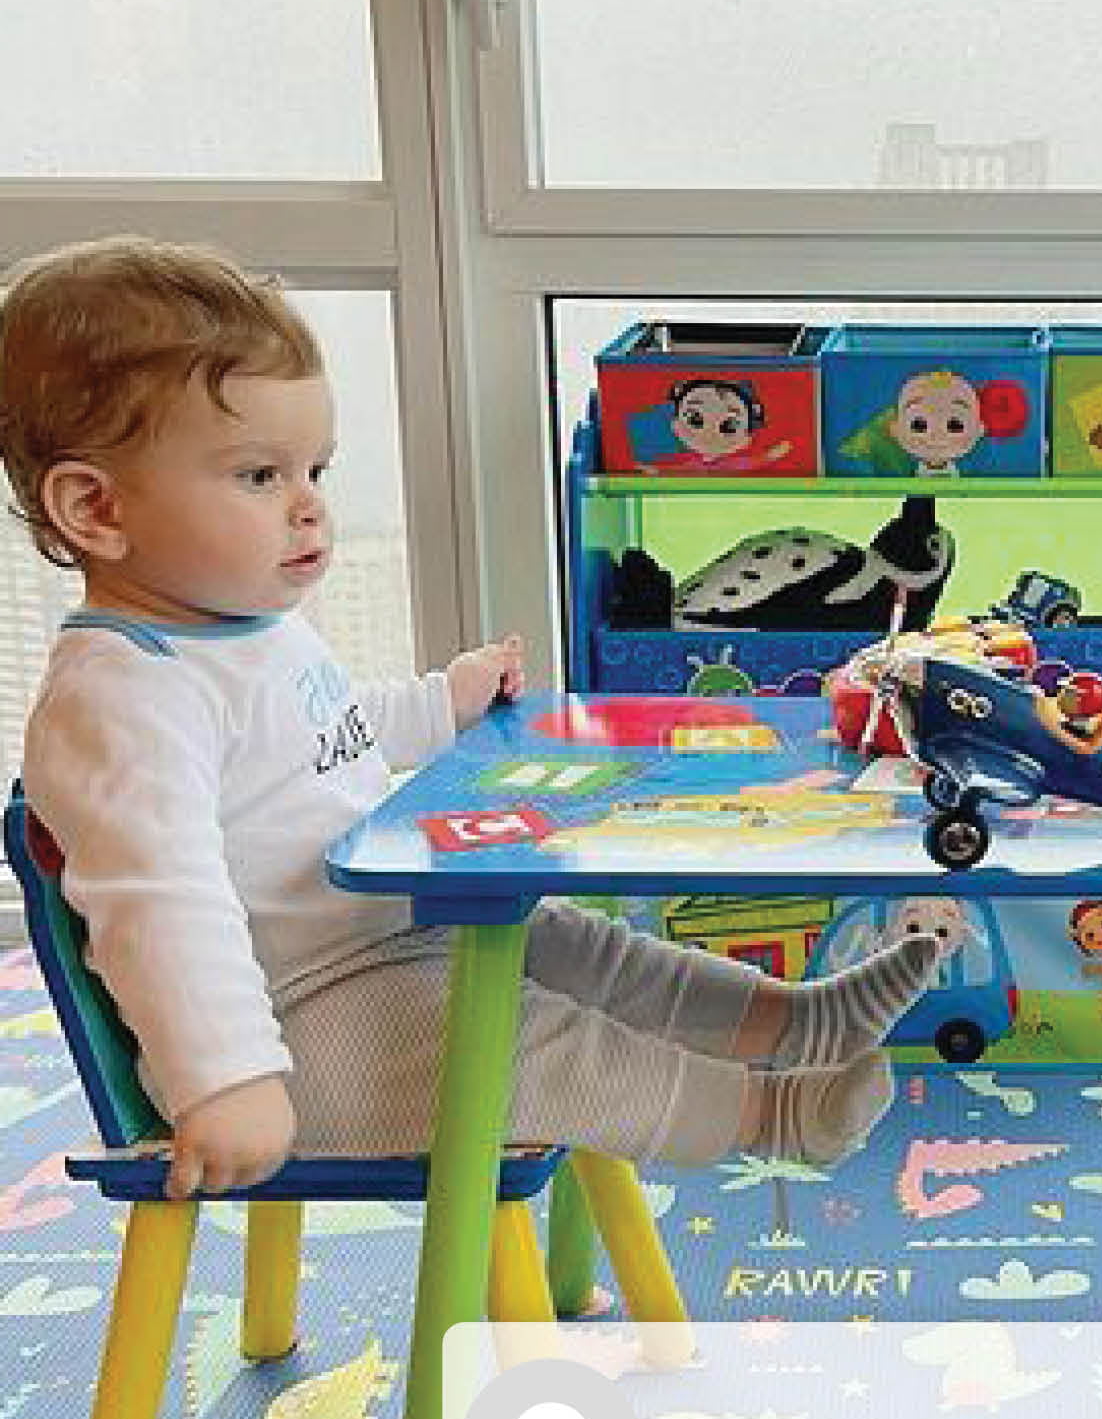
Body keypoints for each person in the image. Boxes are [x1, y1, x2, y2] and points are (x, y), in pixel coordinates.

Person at [0, 238, 941, 1204]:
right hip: (297, 1030)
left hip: (390, 943)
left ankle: (796, 1021)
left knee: (573, 945)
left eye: (314, 469)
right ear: (96, 508)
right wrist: (225, 1080)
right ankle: (769, 1116)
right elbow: (161, 901)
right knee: (538, 1045)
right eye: (258, 477)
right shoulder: (122, 696)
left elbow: (326, 733)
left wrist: (438, 705)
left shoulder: (241, 631)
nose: (309, 508)